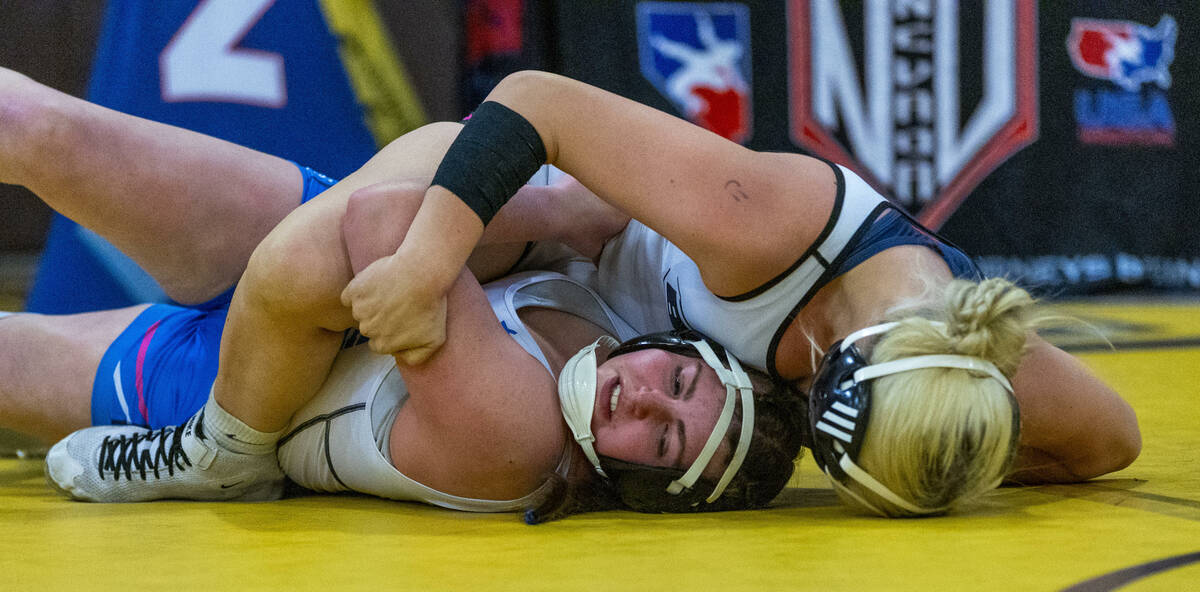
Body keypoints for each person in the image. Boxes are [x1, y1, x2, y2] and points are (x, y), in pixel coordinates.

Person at [0, 68, 804, 521]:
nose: (642, 402)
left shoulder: (519, 440)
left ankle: (221, 451)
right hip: (309, 252)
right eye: (680, 384)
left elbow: (384, 218)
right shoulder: (630, 323)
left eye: (661, 443)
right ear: (686, 352)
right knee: (28, 124)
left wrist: (558, 211)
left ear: (640, 489)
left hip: (223, 378)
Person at [337, 70, 1142, 517]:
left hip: (588, 339)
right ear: (839, 374)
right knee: (303, 253)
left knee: (507, 456)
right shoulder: (768, 231)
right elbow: (534, 104)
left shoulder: (957, 355)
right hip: (553, 225)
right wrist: (422, 267)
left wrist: (940, 464)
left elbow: (1112, 443)